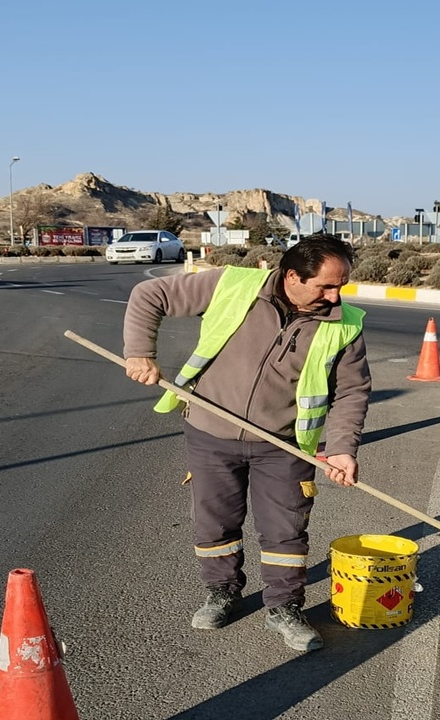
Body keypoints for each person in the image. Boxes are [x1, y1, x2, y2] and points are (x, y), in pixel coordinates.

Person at [122, 234, 371, 652]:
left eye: (341, 285)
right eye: (325, 286)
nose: (334, 296)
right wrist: (139, 352)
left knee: (285, 531)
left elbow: (351, 392)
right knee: (214, 521)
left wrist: (343, 447)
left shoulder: (345, 322)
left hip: (285, 445)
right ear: (292, 276)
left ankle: (284, 607)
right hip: (210, 432)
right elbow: (150, 293)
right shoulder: (232, 284)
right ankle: (222, 592)